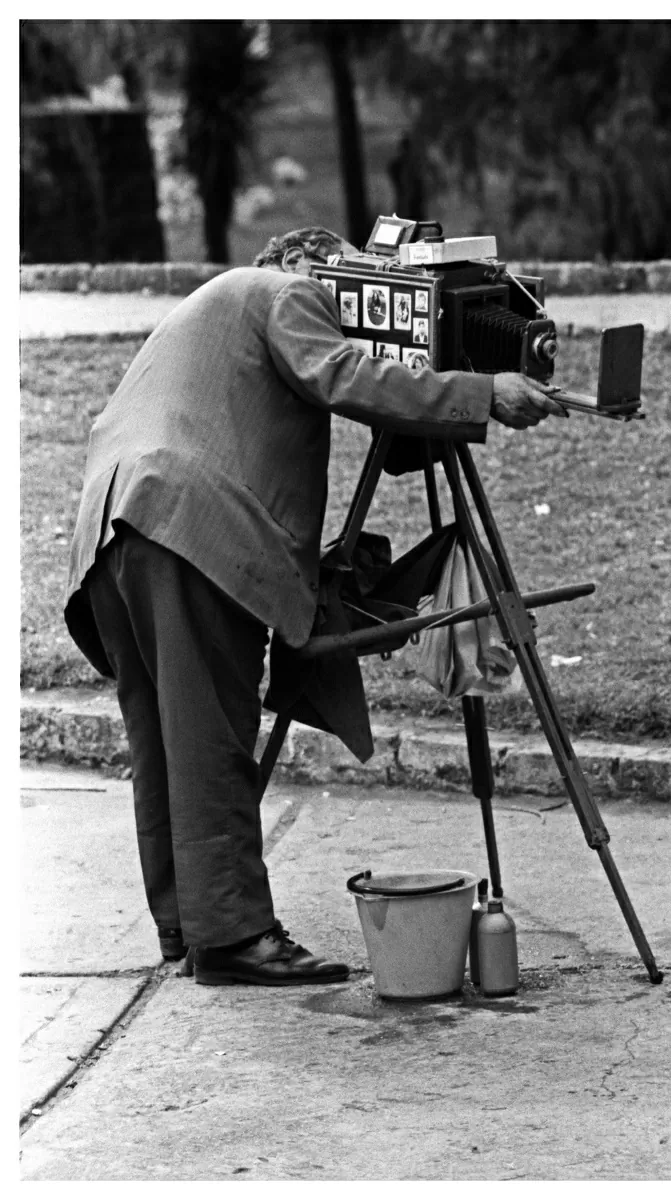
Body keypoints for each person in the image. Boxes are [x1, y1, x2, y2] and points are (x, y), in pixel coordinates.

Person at [64, 225, 566, 989]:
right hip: (186, 524)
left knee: (165, 736)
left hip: (114, 525)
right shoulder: (284, 290)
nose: (343, 303)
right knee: (212, 737)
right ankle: (234, 937)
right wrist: (479, 394)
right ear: (305, 266)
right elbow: (339, 373)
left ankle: (187, 922)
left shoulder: (211, 307)